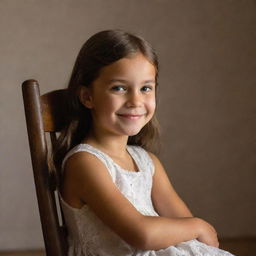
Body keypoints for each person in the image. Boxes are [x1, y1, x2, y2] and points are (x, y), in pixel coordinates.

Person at [53, 30, 234, 256]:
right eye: (119, 87)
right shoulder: (85, 163)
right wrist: (200, 225)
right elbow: (142, 234)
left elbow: (182, 223)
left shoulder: (147, 162)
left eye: (145, 88)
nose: (136, 101)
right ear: (88, 97)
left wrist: (194, 229)